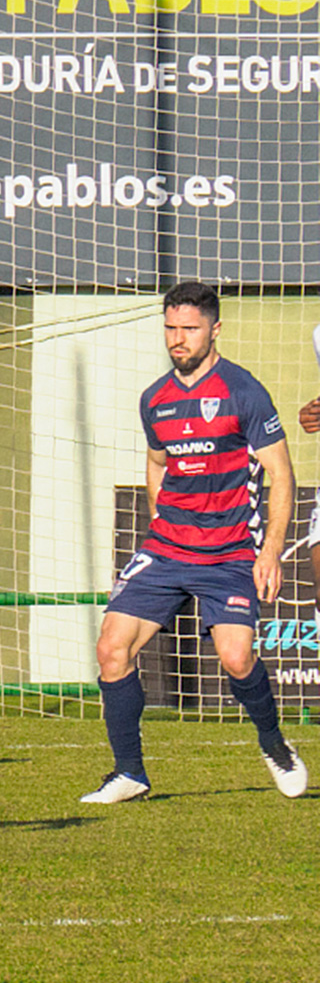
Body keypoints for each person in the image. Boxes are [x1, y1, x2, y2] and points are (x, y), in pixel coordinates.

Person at [87, 282, 306, 803]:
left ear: (215, 330)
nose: (177, 339)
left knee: (235, 658)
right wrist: (160, 516)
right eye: (170, 328)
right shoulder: (155, 400)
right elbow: (157, 462)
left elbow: (281, 473)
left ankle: (274, 743)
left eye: (189, 329)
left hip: (229, 552)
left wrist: (270, 550)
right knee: (112, 648)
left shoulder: (243, 392)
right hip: (167, 548)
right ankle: (129, 773)